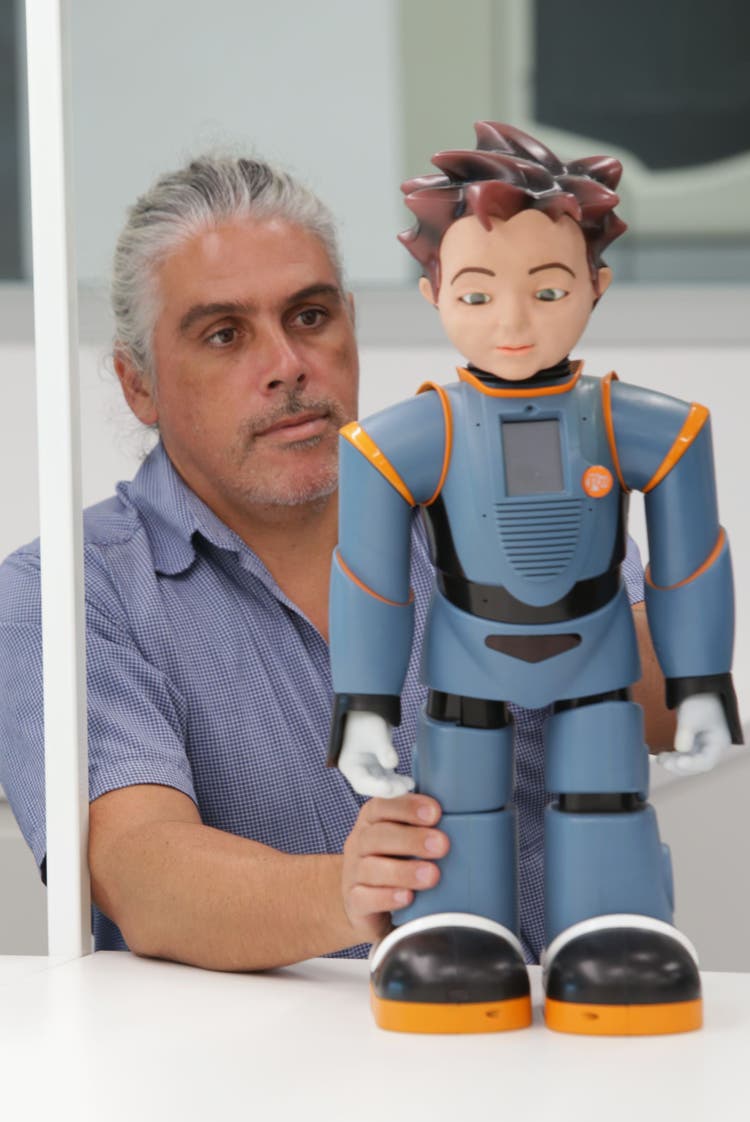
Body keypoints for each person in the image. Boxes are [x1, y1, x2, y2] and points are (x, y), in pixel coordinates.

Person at [0, 154, 667, 971]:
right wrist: (357, 889)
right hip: (253, 1057)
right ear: (138, 384)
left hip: (550, 1028)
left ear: (350, 324)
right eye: (224, 334)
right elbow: (138, 868)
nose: (287, 364)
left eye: (310, 316)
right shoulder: (65, 596)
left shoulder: (483, 484)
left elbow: (661, 706)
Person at [327, 122, 741, 1034]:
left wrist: (703, 682)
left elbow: (691, 556)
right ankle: (457, 927)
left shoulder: (637, 423)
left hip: (596, 666)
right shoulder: (411, 437)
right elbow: (369, 578)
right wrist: (362, 705)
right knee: (461, 806)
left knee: (603, 799)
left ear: (596, 285)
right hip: (467, 669)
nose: (512, 323)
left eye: (547, 290)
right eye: (477, 294)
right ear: (434, 294)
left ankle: (611, 923)